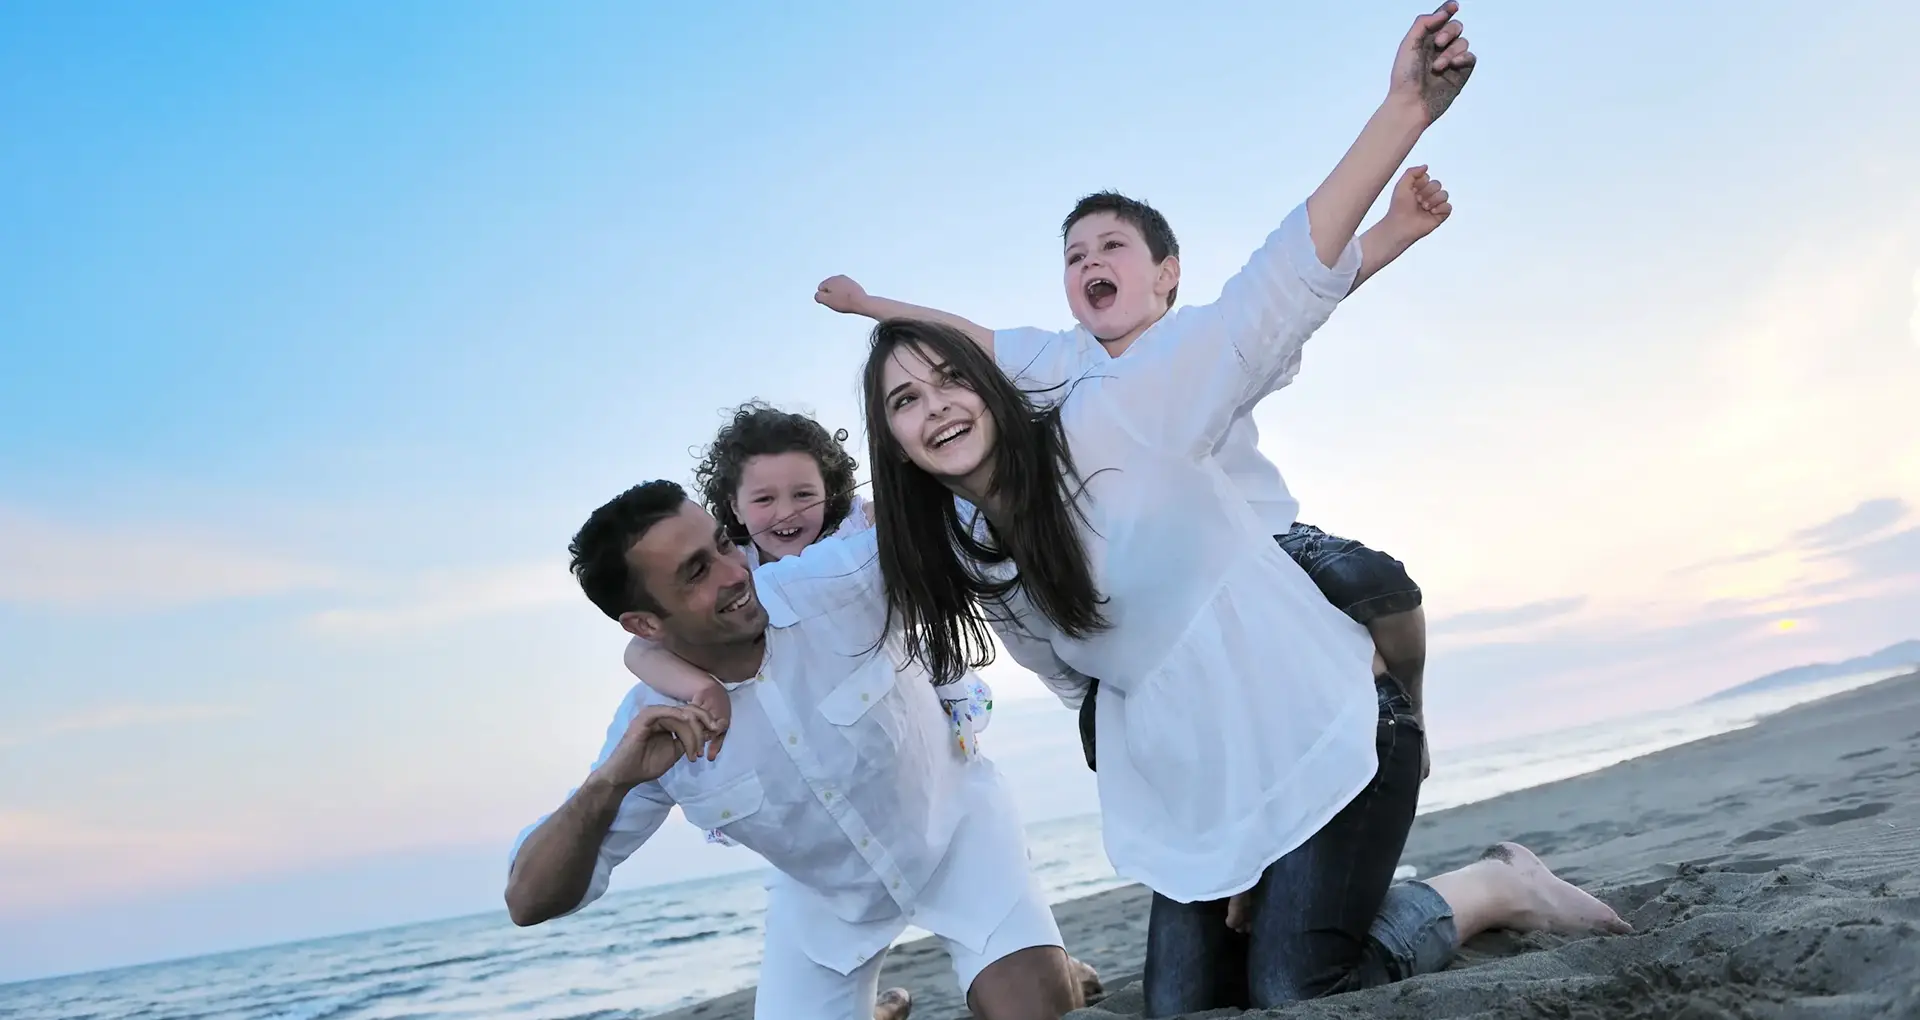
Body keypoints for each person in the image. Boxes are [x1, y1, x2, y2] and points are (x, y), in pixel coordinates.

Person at [855, 6, 1630, 1015]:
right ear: (896, 444)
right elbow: (1088, 691)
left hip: (1330, 730)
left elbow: (1275, 290)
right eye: (904, 402)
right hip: (1210, 785)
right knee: (1182, 1008)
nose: (936, 406)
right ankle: (1291, 879)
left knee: (1298, 991)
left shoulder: (1124, 410)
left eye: (947, 379)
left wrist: (1405, 112)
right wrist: (1224, 838)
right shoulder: (969, 548)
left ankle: (1488, 887)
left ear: (994, 383)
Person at [813, 113, 1445, 786]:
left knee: (1374, 582)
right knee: (1125, 731)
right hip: (1149, 588)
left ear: (1166, 275)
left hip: (1264, 541)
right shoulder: (1057, 359)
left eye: (1112, 246)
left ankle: (1408, 710)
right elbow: (963, 338)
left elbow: (1299, 294)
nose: (1091, 262)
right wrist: (869, 305)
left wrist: (1393, 231)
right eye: (1075, 256)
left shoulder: (1199, 343)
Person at [505, 482, 1086, 1020]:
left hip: (962, 839)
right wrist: (609, 784)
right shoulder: (650, 728)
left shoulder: (833, 582)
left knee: (1030, 1010)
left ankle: (1052, 970)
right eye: (696, 572)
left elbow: (941, 504)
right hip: (826, 902)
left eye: (725, 543)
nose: (736, 572)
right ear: (644, 624)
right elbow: (528, 901)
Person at [623, 402, 995, 766]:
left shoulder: (853, 534)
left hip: (894, 697)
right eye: (764, 499)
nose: (786, 513)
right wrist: (700, 688)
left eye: (803, 494)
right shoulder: (733, 567)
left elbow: (926, 540)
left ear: (829, 491)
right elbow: (640, 651)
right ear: (734, 506)